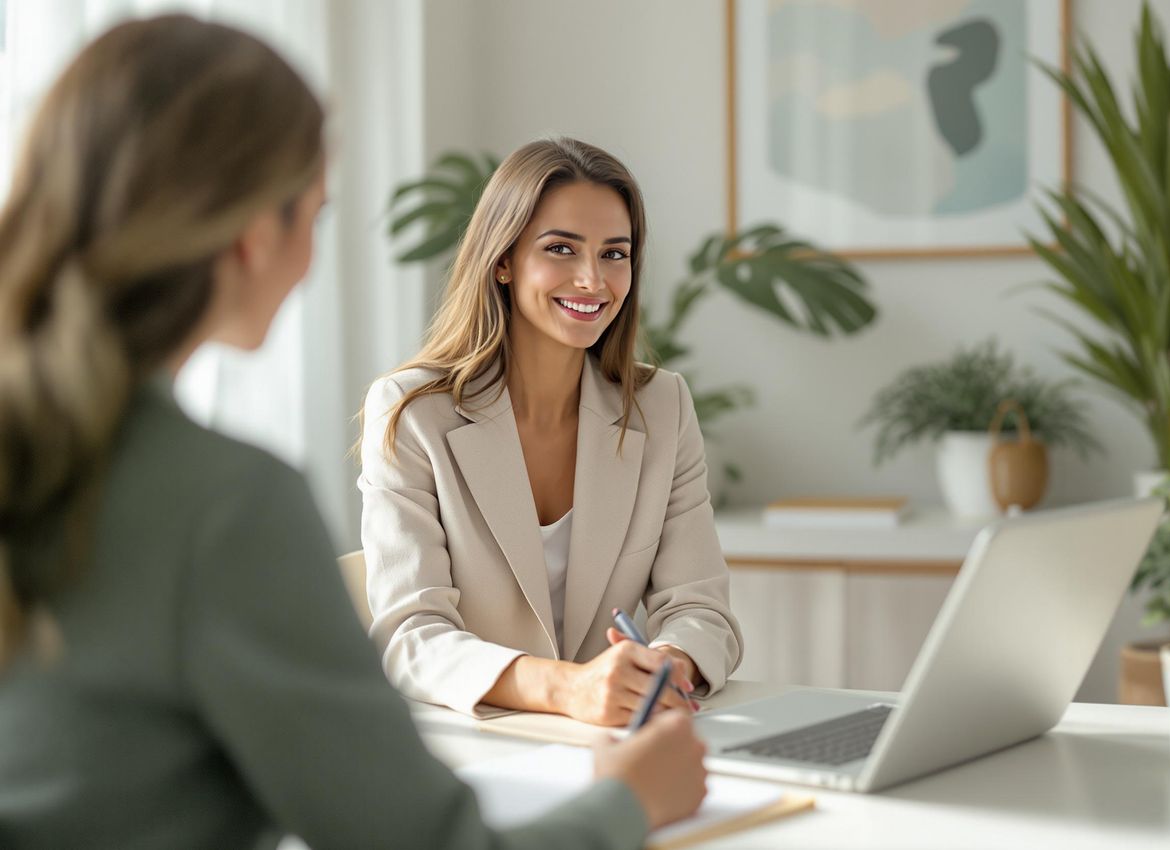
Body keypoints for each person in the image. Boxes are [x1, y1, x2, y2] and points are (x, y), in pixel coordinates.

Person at [0, 16, 706, 849]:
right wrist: (627, 801)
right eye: (318, 213)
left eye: (615, 253)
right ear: (256, 232)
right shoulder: (225, 504)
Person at [358, 138, 743, 725]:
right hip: (472, 742)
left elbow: (699, 607)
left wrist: (665, 665)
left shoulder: (662, 408)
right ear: (504, 260)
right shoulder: (413, 412)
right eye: (561, 248)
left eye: (615, 253)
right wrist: (568, 689)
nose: (593, 279)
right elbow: (409, 633)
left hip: (614, 737)